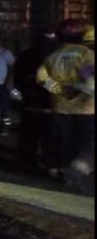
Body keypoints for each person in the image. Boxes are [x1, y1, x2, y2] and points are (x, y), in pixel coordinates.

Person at [36, 19, 95, 187]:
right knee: (85, 142)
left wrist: (61, 91)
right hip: (86, 109)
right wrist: (84, 94)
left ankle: (62, 169)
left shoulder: (52, 57)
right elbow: (91, 80)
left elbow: (41, 79)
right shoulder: (86, 55)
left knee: (65, 140)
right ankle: (77, 169)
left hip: (60, 106)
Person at [15, 27, 60, 170]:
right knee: (48, 138)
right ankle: (49, 164)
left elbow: (18, 77)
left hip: (33, 103)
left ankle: (27, 161)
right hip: (49, 105)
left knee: (29, 136)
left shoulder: (26, 55)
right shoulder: (58, 56)